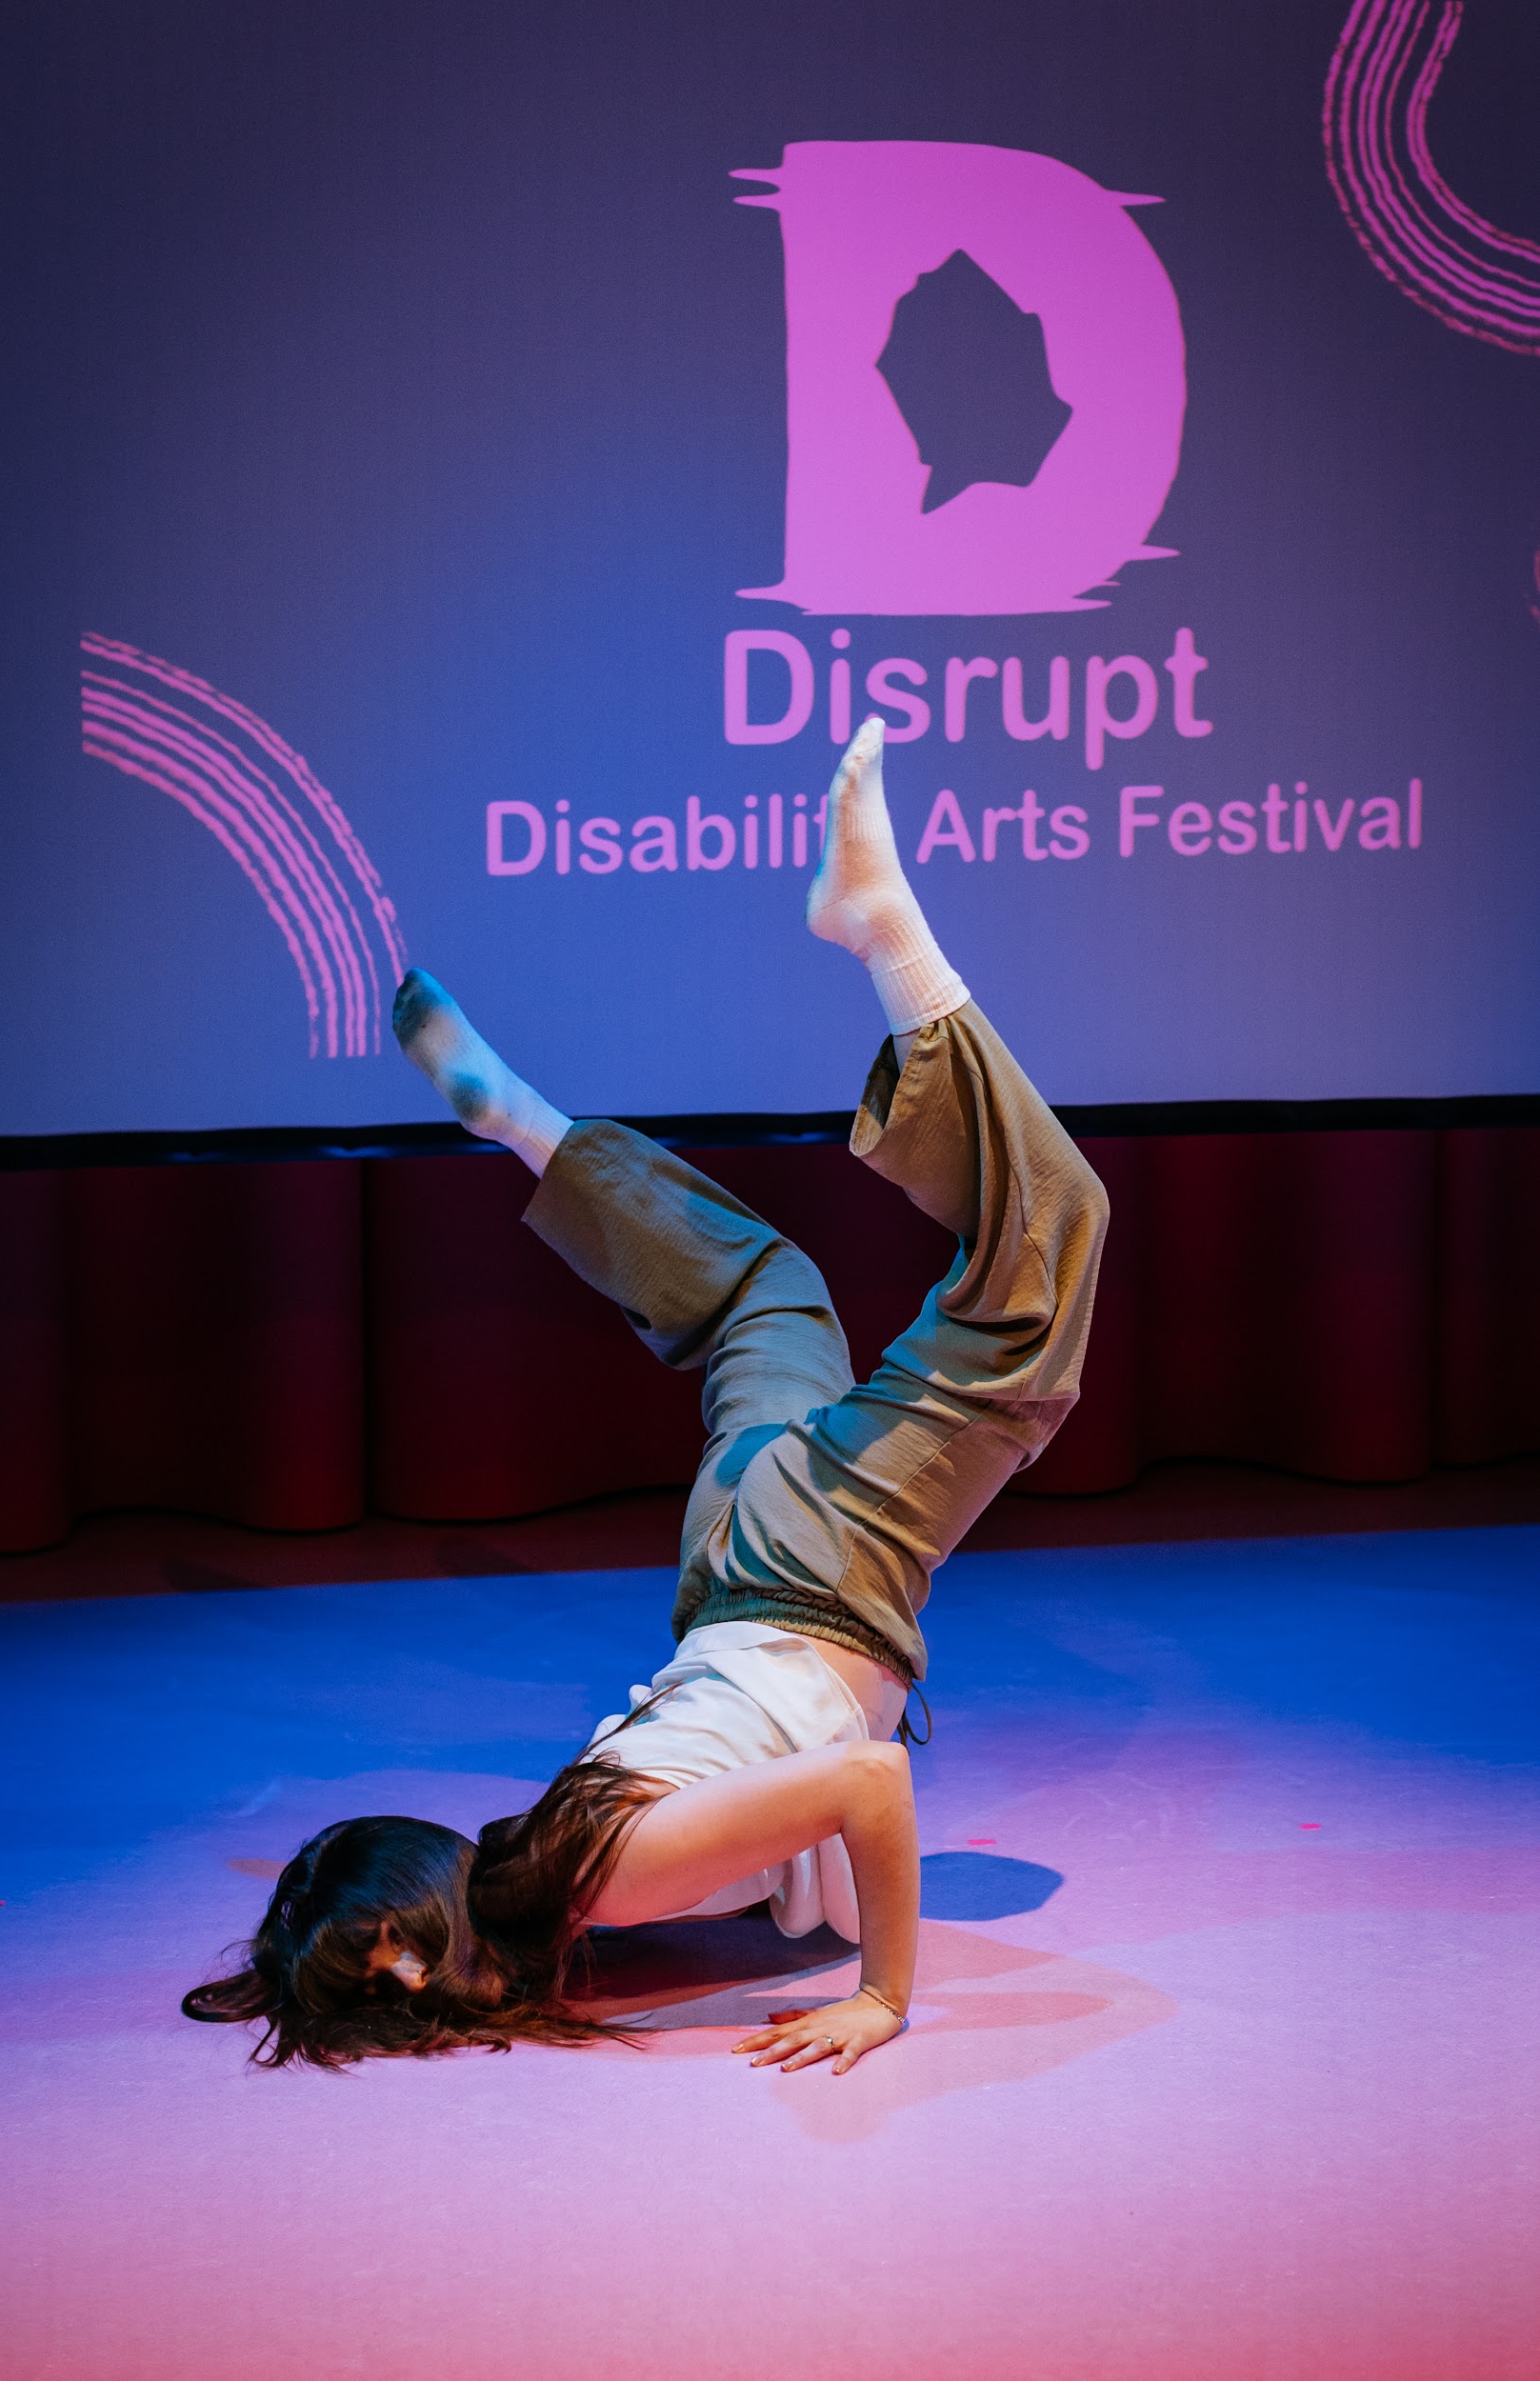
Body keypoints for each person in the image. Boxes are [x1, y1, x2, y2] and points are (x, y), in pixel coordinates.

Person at [183, 717, 1109, 2075]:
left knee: (1043, 1260)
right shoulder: (545, 1848)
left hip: (811, 1573)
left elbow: (868, 1783)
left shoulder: (602, 1883)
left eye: (400, 1977)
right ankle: (525, 1128)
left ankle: (883, 930)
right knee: (764, 1292)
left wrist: (886, 1998)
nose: (421, 1993)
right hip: (736, 1559)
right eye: (401, 1989)